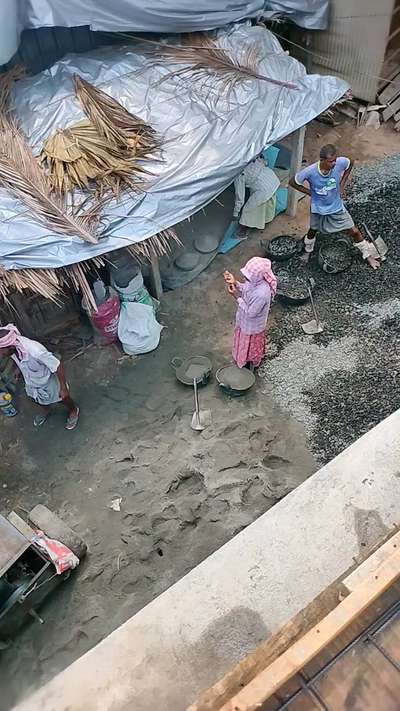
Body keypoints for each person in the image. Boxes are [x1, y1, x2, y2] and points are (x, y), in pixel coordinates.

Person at [288, 144, 380, 270]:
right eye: (331, 161)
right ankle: (308, 251)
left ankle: (368, 255)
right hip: (318, 208)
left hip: (336, 207)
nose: (334, 163)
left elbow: (350, 163)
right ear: (322, 160)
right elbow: (293, 182)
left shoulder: (340, 163)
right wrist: (310, 192)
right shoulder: (310, 171)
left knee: (354, 231)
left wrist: (342, 185)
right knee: (313, 230)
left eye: (335, 160)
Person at [0, 324, 79, 430]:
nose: (1, 354)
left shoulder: (35, 351)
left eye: (1, 350)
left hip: (46, 379)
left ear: (10, 345)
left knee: (63, 398)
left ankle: (73, 410)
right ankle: (46, 410)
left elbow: (58, 365)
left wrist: (63, 387)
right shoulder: (13, 348)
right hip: (31, 380)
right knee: (34, 398)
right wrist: (19, 369)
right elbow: (20, 357)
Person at [224, 257, 277, 370]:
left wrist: (236, 297)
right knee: (243, 342)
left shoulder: (262, 294)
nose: (245, 278)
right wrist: (235, 283)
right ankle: (244, 359)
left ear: (256, 276)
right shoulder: (254, 281)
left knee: (250, 345)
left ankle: (249, 363)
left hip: (252, 326)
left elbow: (251, 313)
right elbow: (246, 289)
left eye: (247, 276)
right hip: (244, 322)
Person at [233, 156, 280, 237]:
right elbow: (264, 162)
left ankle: (244, 229)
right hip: (271, 177)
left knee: (248, 208)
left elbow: (240, 196)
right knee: (266, 199)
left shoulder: (238, 174)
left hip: (263, 188)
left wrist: (236, 213)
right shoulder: (251, 157)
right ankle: (267, 218)